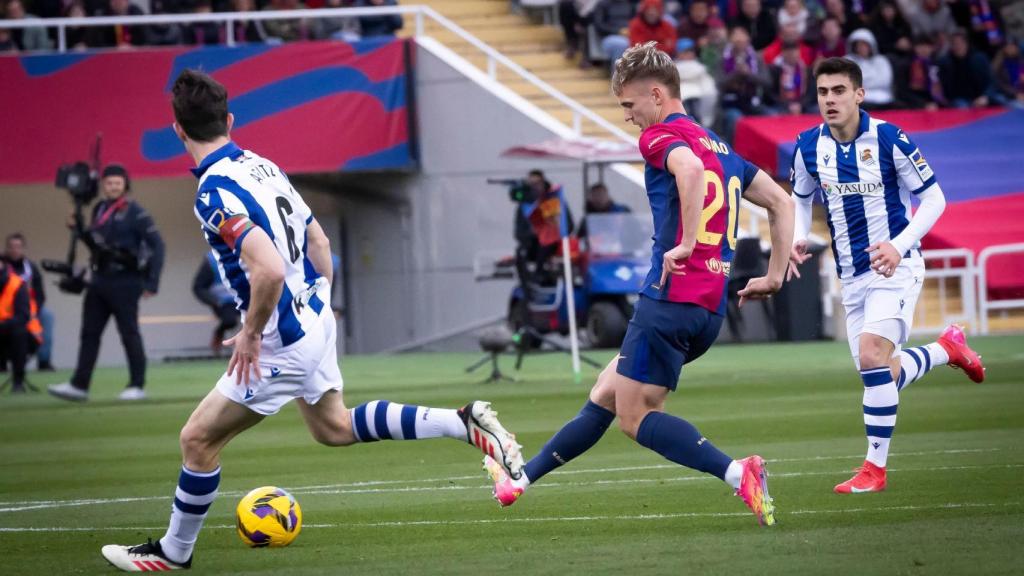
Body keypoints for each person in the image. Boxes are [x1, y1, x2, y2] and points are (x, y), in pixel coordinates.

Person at [99, 69, 525, 572]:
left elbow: (269, 269)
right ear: (230, 121)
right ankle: (462, 423)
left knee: (197, 439)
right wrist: (319, 301)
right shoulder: (264, 166)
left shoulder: (213, 193)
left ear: (177, 131)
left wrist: (252, 334)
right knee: (334, 427)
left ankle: (173, 553)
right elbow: (319, 243)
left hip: (282, 339)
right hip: (315, 315)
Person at [484, 42, 796, 527]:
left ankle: (739, 473)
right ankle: (518, 482)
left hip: (669, 299)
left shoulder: (660, 137)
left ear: (655, 94)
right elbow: (781, 202)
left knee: (635, 418)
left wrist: (688, 242)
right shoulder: (720, 146)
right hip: (708, 310)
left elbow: (688, 170)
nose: (629, 117)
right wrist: (774, 276)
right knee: (606, 394)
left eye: (629, 105)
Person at [788, 57, 986, 495]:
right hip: (851, 276)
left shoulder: (889, 139)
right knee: (882, 373)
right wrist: (799, 236)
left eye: (839, 90)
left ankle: (874, 470)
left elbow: (934, 200)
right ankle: (946, 349)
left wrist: (899, 245)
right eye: (823, 92)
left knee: (872, 355)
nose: (830, 100)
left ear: (859, 94)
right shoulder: (806, 147)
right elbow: (800, 198)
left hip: (897, 266)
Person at [48, 164, 165, 402]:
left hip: (126, 280)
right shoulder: (99, 209)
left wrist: (152, 282)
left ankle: (136, 385)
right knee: (89, 333)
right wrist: (78, 229)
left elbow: (158, 245)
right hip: (99, 279)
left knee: (129, 333)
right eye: (109, 183)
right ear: (103, 185)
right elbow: (96, 245)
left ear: (125, 185)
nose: (113, 187)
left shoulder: (136, 212)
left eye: (117, 183)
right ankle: (79, 385)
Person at [3, 233, 53, 371]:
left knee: (47, 316)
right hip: (6, 309)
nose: (15, 250)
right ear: (6, 248)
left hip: (30, 308)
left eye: (18, 247)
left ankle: (44, 361)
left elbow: (40, 293)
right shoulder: (3, 267)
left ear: (23, 249)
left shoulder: (31, 267)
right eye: (11, 247)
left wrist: (35, 311)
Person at [0, 259, 41, 392]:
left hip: (26, 337)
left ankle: (18, 382)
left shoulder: (17, 284)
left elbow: (22, 317)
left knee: (19, 332)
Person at [193, 251, 240, 356]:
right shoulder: (211, 261)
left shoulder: (245, 253)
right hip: (223, 303)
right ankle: (219, 334)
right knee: (230, 320)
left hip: (244, 298)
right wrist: (215, 301)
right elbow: (198, 287)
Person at [847, 28, 896, 108]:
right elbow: (849, 82)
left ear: (871, 45)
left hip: (883, 98)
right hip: (859, 100)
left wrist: (864, 81)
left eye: (864, 44)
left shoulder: (881, 61)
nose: (862, 47)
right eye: (859, 45)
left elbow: (885, 81)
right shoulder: (848, 61)